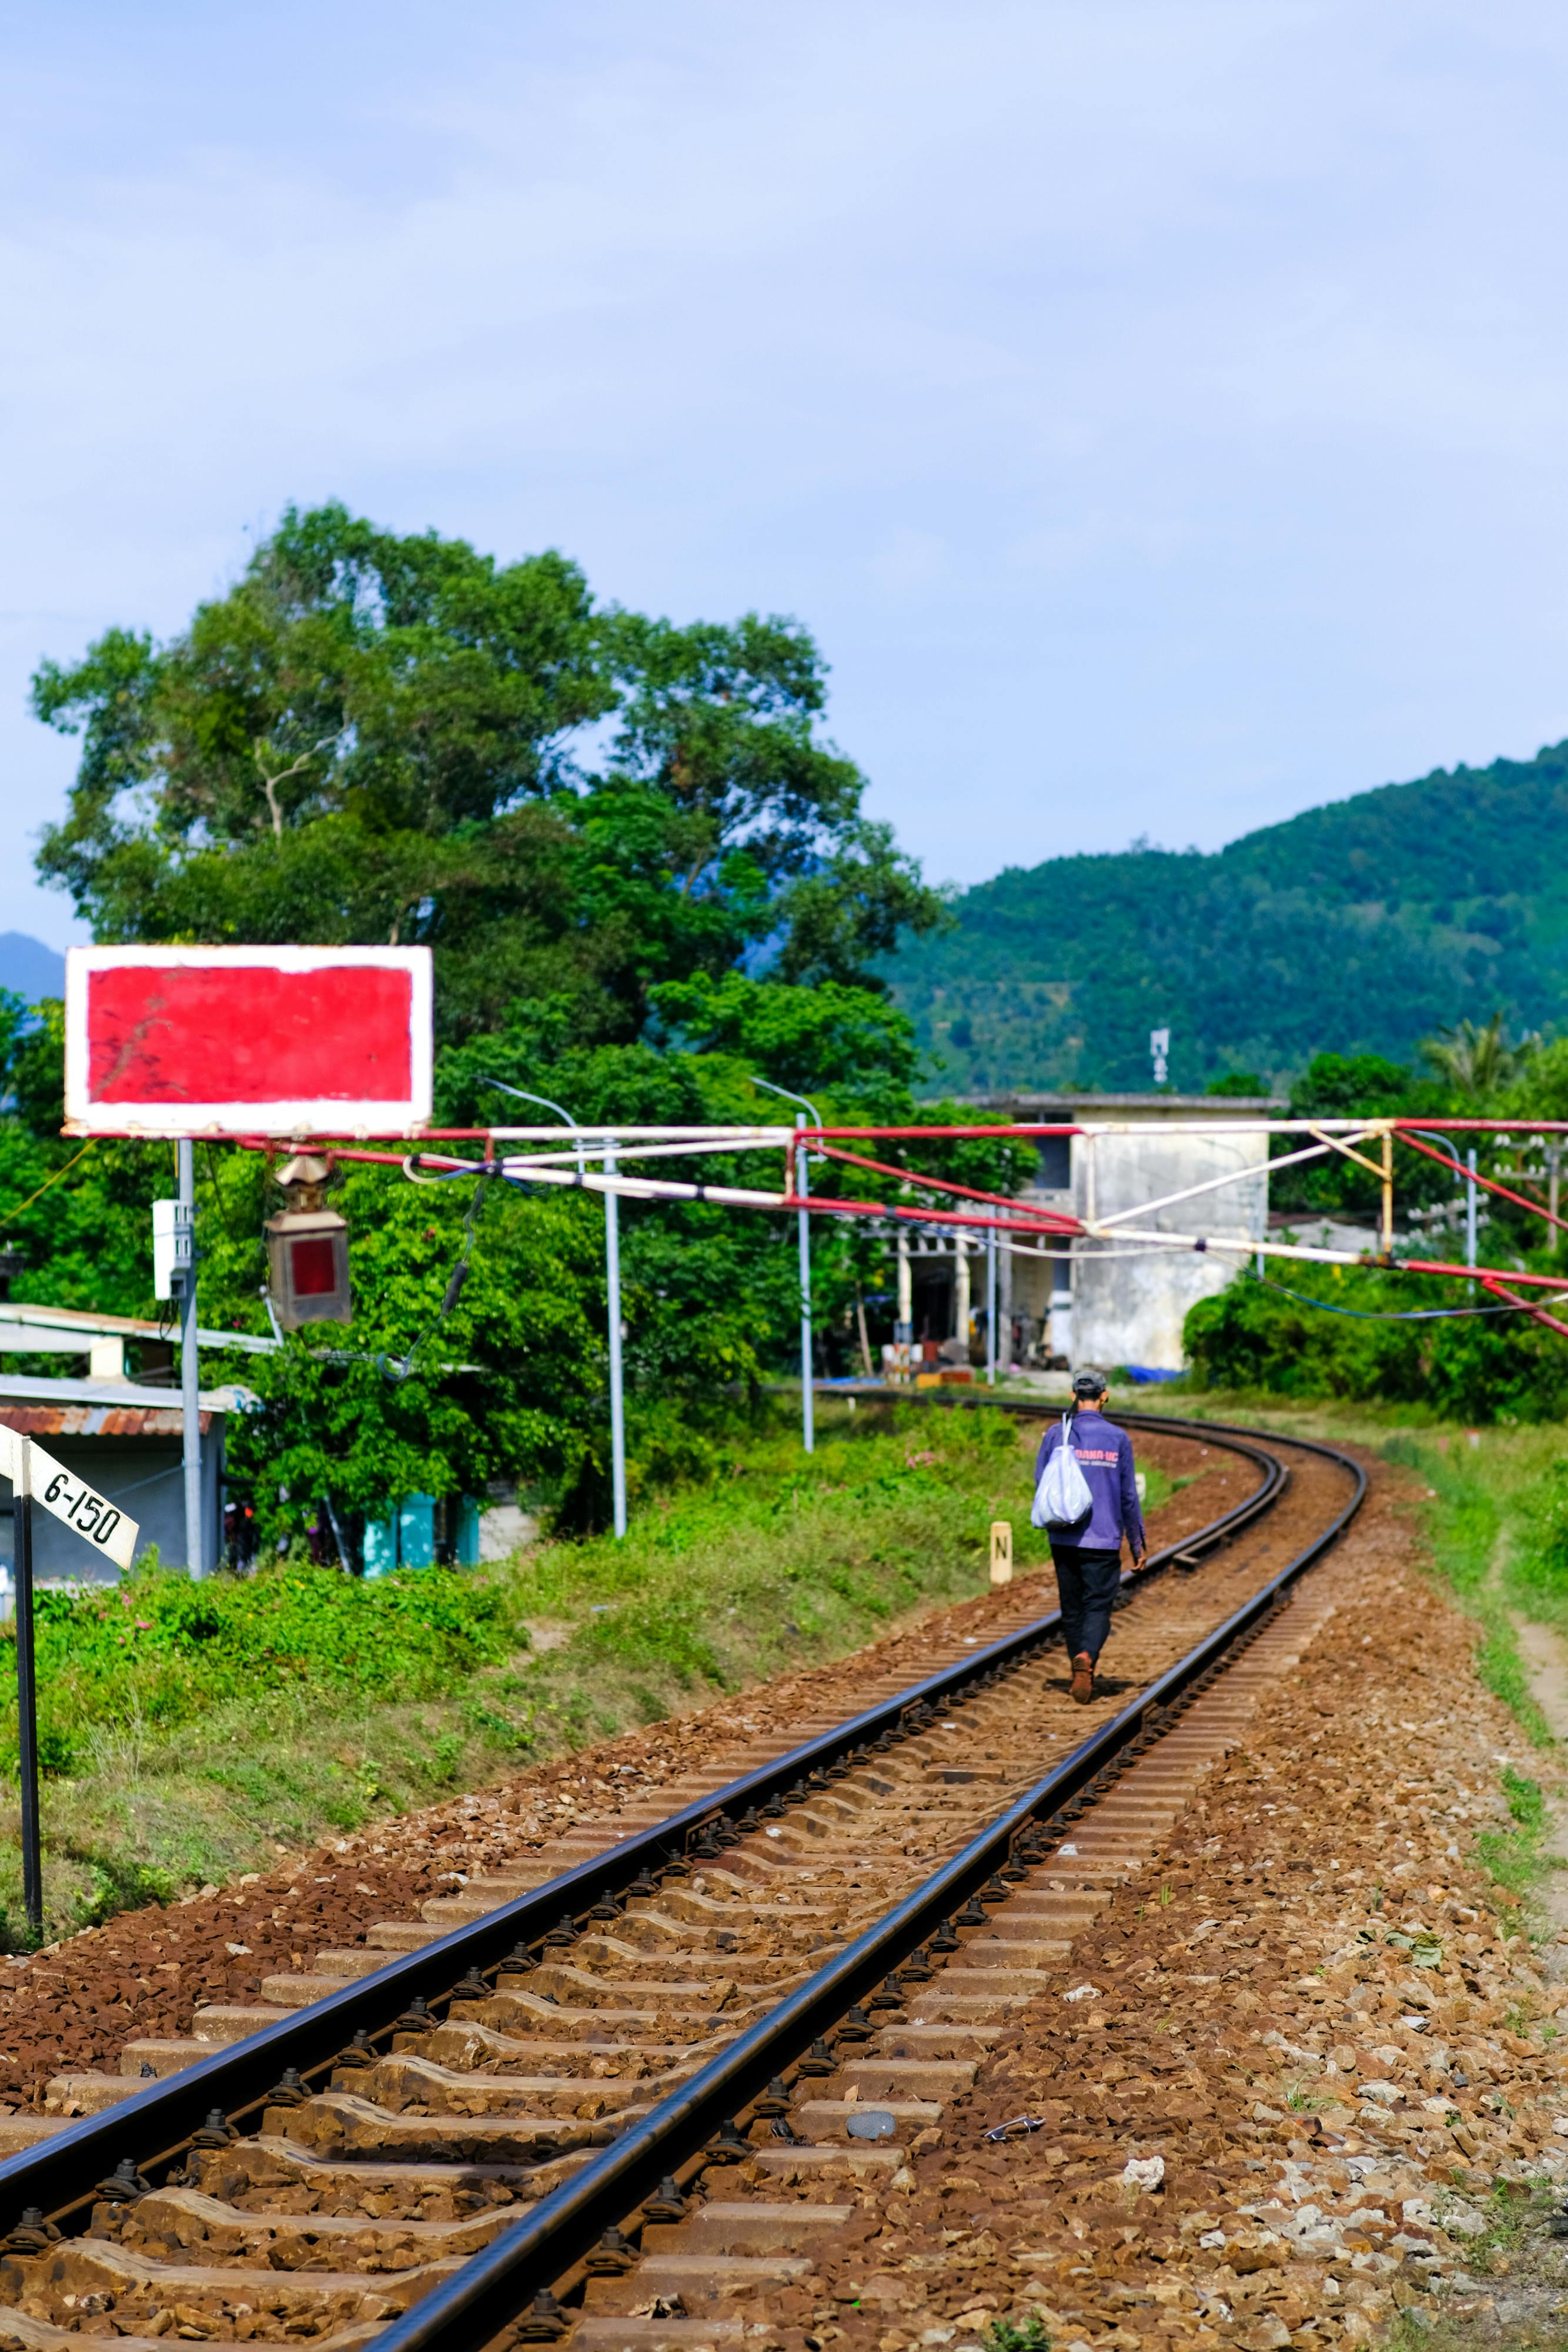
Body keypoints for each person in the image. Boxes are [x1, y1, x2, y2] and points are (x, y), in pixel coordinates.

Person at [1034, 1368, 1148, 1705]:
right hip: (1103, 1538)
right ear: (1105, 1396)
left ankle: (1077, 1671)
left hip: (1063, 1538)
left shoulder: (1056, 1435)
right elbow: (1128, 1496)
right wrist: (1137, 1543)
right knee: (1098, 1605)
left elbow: (1042, 1481)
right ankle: (1087, 1657)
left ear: (1072, 1396)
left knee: (1072, 1608)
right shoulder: (1118, 1439)